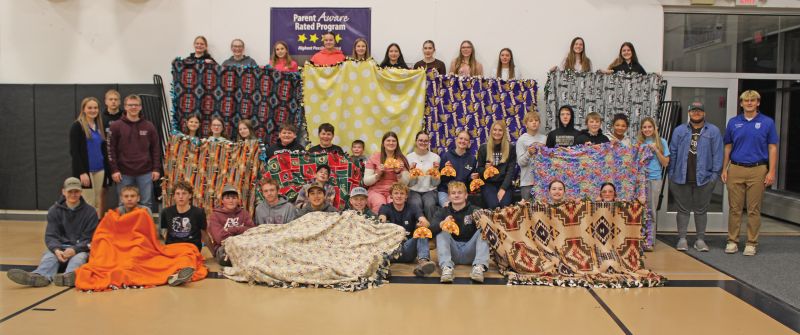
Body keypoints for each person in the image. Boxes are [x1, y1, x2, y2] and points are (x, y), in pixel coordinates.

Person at [6, 177, 98, 287]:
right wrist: (56, 249)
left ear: (81, 192)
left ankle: (69, 276)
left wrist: (75, 249)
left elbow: (89, 238)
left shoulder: (90, 212)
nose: (73, 194)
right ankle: (39, 276)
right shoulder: (54, 210)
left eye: (76, 191)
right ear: (63, 192)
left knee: (79, 259)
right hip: (59, 249)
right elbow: (51, 236)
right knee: (49, 258)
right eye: (70, 191)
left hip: (79, 250)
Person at [722, 90, 779, 256]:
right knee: (735, 208)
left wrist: (771, 171)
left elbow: (772, 147)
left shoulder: (767, 122)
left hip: (758, 169)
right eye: (746, 101)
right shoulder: (733, 122)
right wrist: (724, 168)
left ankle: (751, 243)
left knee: (754, 209)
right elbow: (728, 147)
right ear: (741, 104)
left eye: (752, 100)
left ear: (758, 103)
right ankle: (732, 241)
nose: (749, 103)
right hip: (736, 168)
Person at [668, 102, 723, 252]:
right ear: (689, 113)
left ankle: (700, 240)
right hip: (681, 178)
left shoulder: (713, 131)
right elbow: (673, 152)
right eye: (693, 110)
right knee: (682, 210)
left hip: (705, 179)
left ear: (704, 113)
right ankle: (682, 239)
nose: (696, 113)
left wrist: (714, 176)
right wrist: (671, 174)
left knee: (701, 210)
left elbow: (718, 154)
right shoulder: (679, 130)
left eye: (699, 111)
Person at [108, 94, 161, 209]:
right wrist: (114, 170)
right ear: (125, 107)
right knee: (123, 205)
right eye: (130, 105)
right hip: (123, 173)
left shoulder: (149, 126)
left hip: (145, 172)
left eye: (136, 105)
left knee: (146, 204)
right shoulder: (116, 126)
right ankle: (124, 222)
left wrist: (156, 169)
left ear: (140, 107)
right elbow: (110, 150)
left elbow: (156, 149)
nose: (133, 107)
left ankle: (144, 222)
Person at [433, 181, 489, 283]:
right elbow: (430, 229)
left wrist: (482, 221)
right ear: (449, 197)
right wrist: (442, 223)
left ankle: (479, 268)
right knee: (442, 231)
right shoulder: (443, 211)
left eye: (460, 192)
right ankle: (446, 268)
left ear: (466, 195)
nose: (456, 195)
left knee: (484, 230)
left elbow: (491, 223)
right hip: (452, 252)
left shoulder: (475, 210)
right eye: (453, 193)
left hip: (470, 251)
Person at [378, 183, 435, 277]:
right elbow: (381, 218)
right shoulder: (385, 207)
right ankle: (382, 268)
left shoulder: (413, 207)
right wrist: (382, 222)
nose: (399, 196)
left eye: (402, 193)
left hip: (408, 248)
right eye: (396, 193)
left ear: (406, 196)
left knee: (422, 231)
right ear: (391, 196)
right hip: (391, 249)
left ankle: (423, 263)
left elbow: (425, 222)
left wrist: (423, 223)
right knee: (379, 233)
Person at [70, 97, 108, 217]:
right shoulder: (77, 126)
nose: (93, 110)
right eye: (90, 108)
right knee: (88, 203)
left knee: (97, 202)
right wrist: (82, 172)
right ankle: (86, 227)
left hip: (100, 169)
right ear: (84, 109)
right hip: (86, 171)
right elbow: (74, 152)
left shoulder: (99, 126)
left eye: (95, 108)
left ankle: (95, 226)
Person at [637, 117, 670, 244]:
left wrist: (656, 150)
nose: (647, 129)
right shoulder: (639, 143)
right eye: (644, 127)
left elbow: (665, 163)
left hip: (654, 179)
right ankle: (639, 239)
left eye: (649, 127)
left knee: (651, 210)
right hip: (640, 181)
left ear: (655, 128)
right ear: (641, 129)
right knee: (639, 210)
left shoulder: (662, 142)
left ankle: (649, 241)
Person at [364, 132, 411, 213]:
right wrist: (378, 174)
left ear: (397, 143)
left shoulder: (401, 159)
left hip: (395, 191)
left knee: (394, 204)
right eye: (388, 140)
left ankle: (394, 221)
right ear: (383, 143)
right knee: (379, 204)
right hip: (376, 191)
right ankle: (378, 221)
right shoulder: (375, 157)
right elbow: (366, 182)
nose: (391, 143)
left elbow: (406, 183)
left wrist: (398, 173)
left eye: (393, 141)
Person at [208, 185, 256, 266]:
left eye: (234, 198)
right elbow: (220, 238)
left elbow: (252, 231)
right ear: (222, 200)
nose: (231, 201)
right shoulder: (215, 216)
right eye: (227, 198)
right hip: (224, 248)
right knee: (227, 258)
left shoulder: (244, 213)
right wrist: (242, 229)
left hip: (244, 245)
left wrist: (231, 230)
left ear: (238, 200)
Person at [476, 120, 517, 209]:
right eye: (495, 130)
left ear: (504, 132)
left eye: (500, 130)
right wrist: (485, 170)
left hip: (505, 183)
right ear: (491, 131)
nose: (497, 132)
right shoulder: (483, 148)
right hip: (488, 184)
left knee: (505, 206)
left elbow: (510, 171)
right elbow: (479, 169)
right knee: (494, 206)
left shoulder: (511, 148)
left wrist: (503, 188)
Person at [159, 180, 207, 252]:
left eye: (184, 193)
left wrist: (213, 253)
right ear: (174, 196)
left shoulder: (199, 213)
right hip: (172, 249)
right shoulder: (166, 212)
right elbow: (166, 233)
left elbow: (205, 234)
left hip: (191, 249)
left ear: (190, 195)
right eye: (177, 193)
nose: (180, 196)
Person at [406, 131, 441, 219]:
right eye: (420, 140)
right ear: (416, 141)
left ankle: (432, 226)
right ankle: (417, 227)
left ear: (429, 142)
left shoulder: (435, 158)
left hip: (430, 190)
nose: (423, 143)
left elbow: (435, 183)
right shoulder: (408, 157)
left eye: (426, 141)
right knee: (415, 204)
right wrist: (412, 173)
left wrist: (435, 172)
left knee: (430, 204)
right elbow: (410, 184)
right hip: (413, 190)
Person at [438, 130, 477, 207]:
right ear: (456, 140)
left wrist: (472, 178)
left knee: (460, 208)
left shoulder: (472, 159)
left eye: (466, 140)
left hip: (462, 192)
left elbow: (470, 183)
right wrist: (445, 172)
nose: (463, 141)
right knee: (448, 207)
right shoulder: (446, 156)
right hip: (445, 191)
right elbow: (440, 179)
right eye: (461, 138)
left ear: (469, 143)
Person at [516, 111, 547, 201]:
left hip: (542, 182)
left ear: (539, 123)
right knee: (526, 208)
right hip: (527, 182)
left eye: (536, 120)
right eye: (531, 121)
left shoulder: (544, 138)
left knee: (542, 208)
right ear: (526, 124)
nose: (534, 122)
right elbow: (520, 163)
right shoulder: (521, 140)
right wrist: (528, 153)